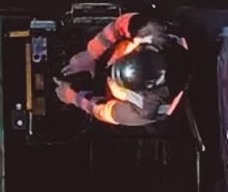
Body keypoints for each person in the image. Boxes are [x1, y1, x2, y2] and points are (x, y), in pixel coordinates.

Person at [56, 11, 188, 127]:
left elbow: (103, 111)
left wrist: (73, 96)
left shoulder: (145, 110)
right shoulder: (152, 32)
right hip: (109, 56)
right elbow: (119, 26)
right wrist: (92, 53)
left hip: (108, 93)